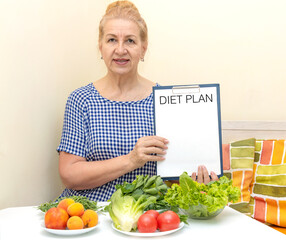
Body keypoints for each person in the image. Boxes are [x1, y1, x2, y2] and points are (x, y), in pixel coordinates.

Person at [57, 0, 218, 202]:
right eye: (112, 40)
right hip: (88, 214)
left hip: (146, 214)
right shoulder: (81, 100)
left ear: (143, 49)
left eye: (130, 41)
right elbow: (69, 175)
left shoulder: (165, 101)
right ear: (100, 47)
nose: (121, 49)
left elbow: (174, 173)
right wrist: (131, 160)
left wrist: (196, 179)